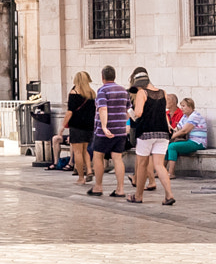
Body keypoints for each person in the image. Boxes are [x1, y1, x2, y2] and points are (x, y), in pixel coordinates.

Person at [127, 68, 174, 205]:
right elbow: (164, 113)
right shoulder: (163, 92)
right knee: (159, 165)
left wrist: (131, 112)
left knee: (142, 164)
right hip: (163, 133)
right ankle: (169, 195)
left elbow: (139, 113)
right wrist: (168, 126)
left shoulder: (142, 93)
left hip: (146, 132)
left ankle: (138, 196)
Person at [92, 66, 133, 198]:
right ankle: (120, 189)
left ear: (102, 77)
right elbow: (128, 111)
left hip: (105, 131)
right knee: (117, 158)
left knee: (98, 156)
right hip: (120, 130)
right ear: (114, 76)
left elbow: (103, 108)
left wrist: (104, 126)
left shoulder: (102, 90)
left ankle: (98, 186)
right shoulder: (123, 91)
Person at [65, 73, 96, 187]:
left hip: (77, 126)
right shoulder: (92, 93)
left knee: (77, 151)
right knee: (85, 150)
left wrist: (63, 124)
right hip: (89, 126)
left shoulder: (74, 94)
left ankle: (81, 177)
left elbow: (70, 111)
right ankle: (89, 170)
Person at [166, 98, 210, 167]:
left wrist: (170, 137)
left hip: (198, 142)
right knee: (167, 145)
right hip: (190, 141)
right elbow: (177, 129)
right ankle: (162, 170)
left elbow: (184, 131)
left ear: (190, 106)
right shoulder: (184, 116)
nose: (181, 108)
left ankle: (171, 173)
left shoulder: (195, 116)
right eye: (181, 106)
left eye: (183, 106)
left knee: (172, 146)